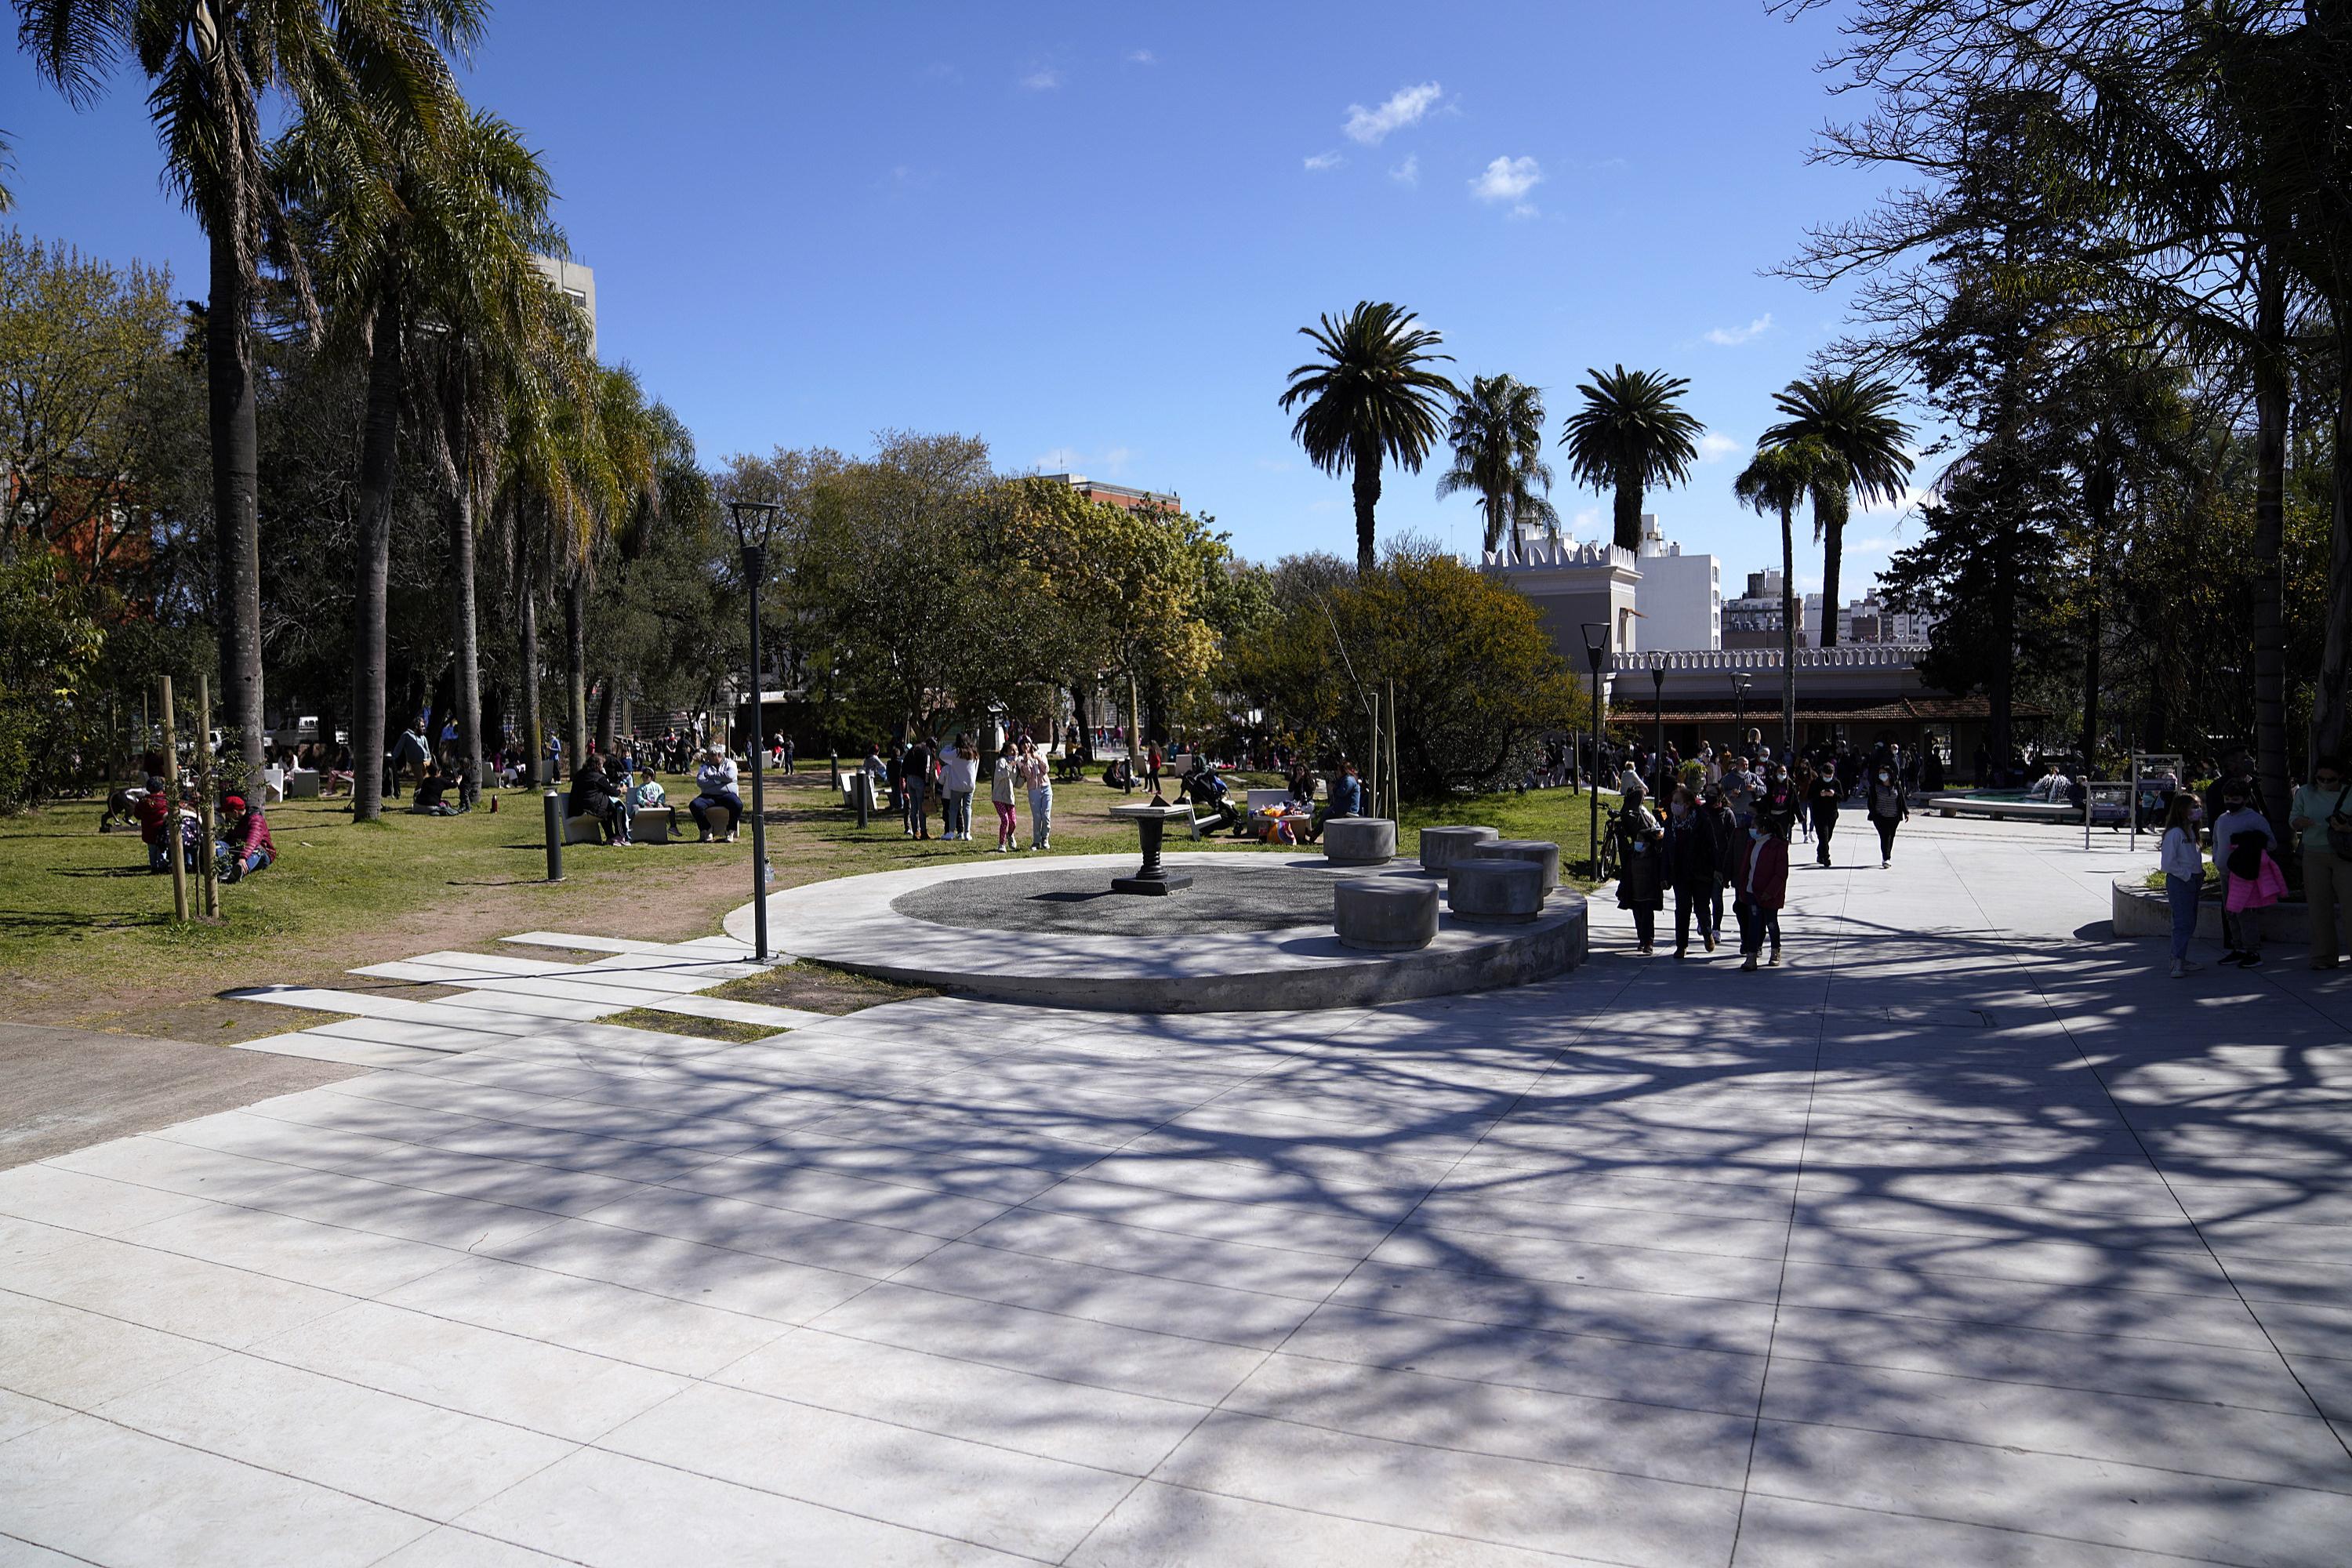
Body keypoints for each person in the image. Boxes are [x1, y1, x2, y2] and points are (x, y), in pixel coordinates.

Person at [2289, 756, 2352, 970]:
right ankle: (2323, 957)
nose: (2324, 783)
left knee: (2350, 907)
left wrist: (2347, 828)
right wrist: (2301, 822)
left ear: (2340, 777)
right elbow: (2293, 818)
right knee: (2318, 907)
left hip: (2346, 856)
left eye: (2330, 779)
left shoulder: (2350, 792)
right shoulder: (2305, 792)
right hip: (2314, 855)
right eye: (2320, 779)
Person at [2211, 780, 2278, 967]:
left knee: (2245, 913)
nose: (2230, 802)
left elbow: (2271, 843)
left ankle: (2252, 950)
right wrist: (2216, 859)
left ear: (2246, 799)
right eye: (2227, 798)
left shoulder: (2255, 819)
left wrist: (2250, 843)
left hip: (2244, 875)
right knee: (2230, 912)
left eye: (2235, 798)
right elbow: (2216, 841)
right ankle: (2238, 947)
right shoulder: (2221, 819)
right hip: (2225, 872)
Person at [1664, 782, 1719, 958]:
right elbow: (1666, 849)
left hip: (1701, 872)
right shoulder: (1671, 823)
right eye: (1673, 801)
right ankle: (1681, 945)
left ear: (1687, 804)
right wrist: (1664, 874)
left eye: (1677, 801)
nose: (1674, 805)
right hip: (1680, 873)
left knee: (1702, 908)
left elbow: (1712, 845)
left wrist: (1716, 868)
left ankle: (1707, 932)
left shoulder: (1701, 819)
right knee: (1682, 910)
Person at [1735, 806, 1791, 971]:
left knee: (1771, 923)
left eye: (1754, 826)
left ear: (1763, 829)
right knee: (1754, 924)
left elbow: (1781, 874)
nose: (1751, 829)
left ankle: (1775, 950)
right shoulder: (1752, 844)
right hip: (1753, 891)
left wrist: (1770, 892)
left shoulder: (1778, 847)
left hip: (1769, 894)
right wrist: (1743, 888)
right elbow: (1746, 868)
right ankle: (1751, 956)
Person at [2158, 793, 2207, 978]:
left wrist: (2198, 874)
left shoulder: (2191, 831)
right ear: (2182, 810)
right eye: (2194, 807)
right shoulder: (2175, 834)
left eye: (2199, 806)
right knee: (2182, 922)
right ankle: (2176, 960)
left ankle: (2182, 958)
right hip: (2181, 881)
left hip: (2194, 879)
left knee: (2190, 921)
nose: (2198, 811)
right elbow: (2168, 864)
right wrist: (2187, 876)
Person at [1613, 781, 1666, 954]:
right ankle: (1644, 939)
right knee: (1639, 913)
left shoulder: (1635, 814)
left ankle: (1647, 940)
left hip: (1646, 882)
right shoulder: (1634, 816)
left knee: (1645, 913)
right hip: (1636, 881)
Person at [214, 793, 274, 881]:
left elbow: (253, 840)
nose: (227, 817)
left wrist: (243, 858)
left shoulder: (256, 819)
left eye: (227, 814)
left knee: (257, 850)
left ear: (235, 812)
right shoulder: (234, 821)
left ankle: (239, 872)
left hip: (261, 854)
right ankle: (226, 871)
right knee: (218, 845)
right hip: (239, 850)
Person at [689, 746, 742, 842]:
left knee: (738, 805)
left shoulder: (731, 764)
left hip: (727, 795)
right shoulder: (704, 766)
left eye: (711, 756)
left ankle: (730, 830)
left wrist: (711, 777)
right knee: (694, 805)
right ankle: (707, 828)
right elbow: (700, 781)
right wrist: (719, 782)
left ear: (719, 755)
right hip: (708, 796)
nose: (708, 758)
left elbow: (729, 776)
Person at [1178, 759, 1243, 836]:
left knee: (1222, 808)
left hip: (1214, 795)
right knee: (1221, 808)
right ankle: (1205, 828)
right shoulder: (1204, 781)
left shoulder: (1205, 780)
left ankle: (1205, 828)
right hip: (1213, 795)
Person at [1864, 761, 1907, 867]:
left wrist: (1906, 812)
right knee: (1885, 836)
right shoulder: (1875, 787)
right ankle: (1886, 858)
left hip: (1894, 817)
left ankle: (1887, 856)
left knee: (1891, 836)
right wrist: (1873, 813)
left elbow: (1901, 799)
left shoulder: (1896, 785)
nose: (1882, 775)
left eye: (1884, 773)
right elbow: (1870, 802)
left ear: (1889, 774)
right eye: (1880, 773)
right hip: (1880, 816)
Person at [1307, 761, 1363, 843]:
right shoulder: (1345, 779)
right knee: (1327, 812)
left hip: (1348, 809)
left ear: (1343, 771)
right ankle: (1314, 834)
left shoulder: (1349, 780)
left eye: (1338, 770)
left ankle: (1315, 834)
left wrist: (1334, 788)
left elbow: (1342, 792)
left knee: (1327, 814)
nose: (1337, 773)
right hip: (1343, 807)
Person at [938, 733, 978, 842]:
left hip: (957, 785)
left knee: (953, 808)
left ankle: (951, 832)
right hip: (970, 785)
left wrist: (949, 747)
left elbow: (942, 755)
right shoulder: (973, 753)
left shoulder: (956, 752)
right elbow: (976, 768)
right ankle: (967, 833)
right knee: (967, 808)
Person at [1803, 760, 1842, 867]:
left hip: (1832, 814)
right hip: (1819, 814)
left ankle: (1820, 854)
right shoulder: (1816, 782)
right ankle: (1826, 857)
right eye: (1826, 776)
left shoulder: (1836, 783)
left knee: (1827, 837)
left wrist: (1833, 794)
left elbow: (1842, 798)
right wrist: (1820, 794)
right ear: (1822, 774)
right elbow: (1809, 797)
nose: (1828, 777)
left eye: (1830, 776)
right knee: (1823, 836)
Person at [1020, 740, 1053, 851]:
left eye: (1028, 743)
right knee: (1037, 817)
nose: (1026, 746)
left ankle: (1045, 838)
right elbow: (1028, 776)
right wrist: (1026, 762)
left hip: (1046, 787)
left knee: (1046, 815)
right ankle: (1036, 841)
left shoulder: (1041, 754)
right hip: (1033, 790)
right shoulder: (1022, 759)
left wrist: (1037, 758)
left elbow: (1046, 769)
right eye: (1023, 744)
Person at [989, 742, 1021, 852]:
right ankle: (1002, 844)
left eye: (1016, 750)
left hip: (1009, 798)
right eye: (1012, 750)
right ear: (1006, 752)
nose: (1015, 752)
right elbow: (999, 775)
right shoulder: (1002, 761)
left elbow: (1017, 783)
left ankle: (1010, 835)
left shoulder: (1015, 764)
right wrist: (1010, 766)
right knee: (1005, 820)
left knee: (1013, 822)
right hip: (999, 797)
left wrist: (1022, 774)